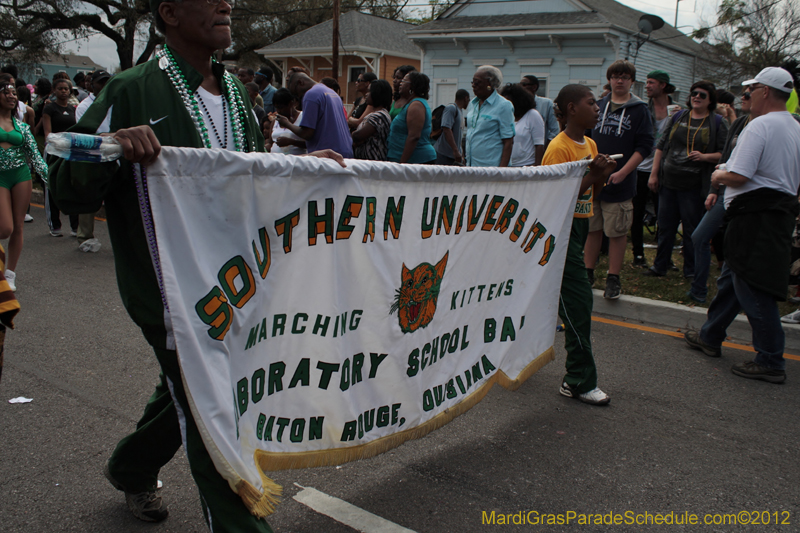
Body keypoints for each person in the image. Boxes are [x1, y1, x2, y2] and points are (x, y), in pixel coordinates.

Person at [49, 0, 342, 528]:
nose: (226, 4)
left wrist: (301, 167)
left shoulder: (234, 92)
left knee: (189, 390)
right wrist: (112, 145)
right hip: (168, 292)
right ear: (170, 13)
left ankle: (131, 466)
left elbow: (250, 174)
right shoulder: (131, 89)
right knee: (214, 410)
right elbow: (67, 187)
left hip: (235, 284)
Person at [684, 67, 800, 384]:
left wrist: (719, 174)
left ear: (765, 91)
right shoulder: (794, 126)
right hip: (775, 213)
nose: (747, 95)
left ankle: (771, 360)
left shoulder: (760, 126)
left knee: (752, 288)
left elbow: (739, 175)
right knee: (732, 279)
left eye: (751, 89)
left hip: (754, 216)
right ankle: (710, 335)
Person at [542, 84, 617, 405]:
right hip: (559, 231)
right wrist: (591, 176)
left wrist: (601, 177)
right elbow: (552, 200)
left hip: (580, 226)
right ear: (572, 108)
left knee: (551, 301)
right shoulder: (558, 149)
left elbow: (588, 197)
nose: (598, 107)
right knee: (578, 303)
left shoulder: (590, 143)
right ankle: (578, 379)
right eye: (591, 103)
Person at [645, 81, 727, 285]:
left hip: (694, 186)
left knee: (692, 229)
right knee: (665, 226)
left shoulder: (716, 122)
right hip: (669, 182)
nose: (696, 97)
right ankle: (660, 265)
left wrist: (705, 157)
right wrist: (654, 174)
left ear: (710, 101)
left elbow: (725, 155)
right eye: (693, 94)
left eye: (702, 95)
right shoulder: (678, 116)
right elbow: (661, 146)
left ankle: (690, 270)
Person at [584, 60, 653, 299]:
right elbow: (586, 138)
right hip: (595, 180)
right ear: (610, 79)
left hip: (620, 182)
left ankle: (613, 277)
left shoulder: (640, 109)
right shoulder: (598, 105)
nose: (620, 81)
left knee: (617, 231)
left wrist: (624, 171)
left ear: (631, 81)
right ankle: (588, 272)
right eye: (615, 76)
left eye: (624, 77)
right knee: (593, 229)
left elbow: (644, 146)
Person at [689, 86, 753, 303]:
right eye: (743, 94)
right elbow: (725, 158)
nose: (742, 98)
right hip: (726, 190)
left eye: (748, 94)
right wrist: (714, 190)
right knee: (699, 237)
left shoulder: (768, 127)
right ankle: (699, 290)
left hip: (750, 198)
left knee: (736, 248)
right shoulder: (739, 123)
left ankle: (737, 298)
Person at [0, 76, 47, 292]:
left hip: (20, 176)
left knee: (18, 226)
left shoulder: (21, 127)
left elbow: (36, 157)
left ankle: (9, 274)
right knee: (5, 228)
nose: (11, 96)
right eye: (6, 92)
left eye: (14, 93)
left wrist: (51, 179)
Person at [632, 70, 677, 268]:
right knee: (636, 212)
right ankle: (638, 254)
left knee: (665, 215)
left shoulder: (677, 111)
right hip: (641, 167)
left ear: (663, 85)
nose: (648, 86)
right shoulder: (643, 109)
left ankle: (663, 257)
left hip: (664, 169)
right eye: (647, 83)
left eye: (652, 83)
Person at [72, 69, 112, 253]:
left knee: (116, 198)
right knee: (89, 198)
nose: (104, 86)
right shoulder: (83, 106)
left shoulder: (115, 102)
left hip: (114, 155)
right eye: (100, 83)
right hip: (93, 155)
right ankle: (85, 236)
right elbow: (85, 133)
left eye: (106, 82)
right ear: (91, 85)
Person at [280, 71, 353, 157]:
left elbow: (307, 134)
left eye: (296, 93)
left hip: (327, 155)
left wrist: (287, 123)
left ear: (300, 83)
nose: (298, 97)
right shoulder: (332, 93)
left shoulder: (311, 94)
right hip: (345, 152)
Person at [42, 77, 79, 238]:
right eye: (60, 88)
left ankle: (75, 227)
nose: (63, 91)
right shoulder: (50, 109)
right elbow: (47, 133)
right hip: (54, 151)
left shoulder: (73, 109)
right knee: (52, 186)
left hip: (70, 152)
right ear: (54, 91)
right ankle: (55, 225)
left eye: (66, 89)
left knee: (72, 186)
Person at [466, 65, 515, 167]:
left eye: (477, 82)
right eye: (472, 82)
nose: (473, 86)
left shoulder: (503, 106)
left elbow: (508, 142)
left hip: (491, 169)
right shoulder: (473, 104)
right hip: (472, 167)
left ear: (489, 84)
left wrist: (501, 171)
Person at [386, 71, 436, 164]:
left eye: (404, 81)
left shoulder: (416, 105)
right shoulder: (411, 104)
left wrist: (402, 164)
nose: (400, 83)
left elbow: (414, 137)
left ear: (412, 87)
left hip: (416, 160)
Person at [500, 83, 544, 166]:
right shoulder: (506, 117)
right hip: (508, 166)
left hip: (527, 166)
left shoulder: (533, 115)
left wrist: (536, 168)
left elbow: (539, 145)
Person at [351, 79, 392, 161]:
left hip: (373, 164)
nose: (366, 94)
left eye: (369, 91)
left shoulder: (380, 116)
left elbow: (359, 135)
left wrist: (354, 135)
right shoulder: (374, 114)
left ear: (377, 94)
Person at [520, 75, 559, 145]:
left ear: (534, 87)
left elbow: (555, 130)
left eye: (524, 84)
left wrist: (544, 147)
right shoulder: (517, 105)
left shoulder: (546, 104)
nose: (521, 87)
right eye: (520, 85)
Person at [433, 89, 469, 165]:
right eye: (468, 100)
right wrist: (455, 150)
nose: (469, 103)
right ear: (465, 98)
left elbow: (458, 136)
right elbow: (446, 129)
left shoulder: (460, 111)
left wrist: (461, 154)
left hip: (453, 156)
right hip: (443, 154)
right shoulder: (451, 108)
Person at [267, 88, 306, 155]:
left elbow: (310, 143)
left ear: (291, 103)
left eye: (281, 107)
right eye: (276, 108)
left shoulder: (303, 117)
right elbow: (270, 142)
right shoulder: (275, 121)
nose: (278, 111)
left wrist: (292, 142)